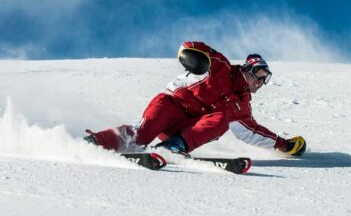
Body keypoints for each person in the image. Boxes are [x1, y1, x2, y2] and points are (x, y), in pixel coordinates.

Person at [84, 41, 306, 156]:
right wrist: (192, 57)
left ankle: (172, 147)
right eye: (259, 74)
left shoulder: (242, 106)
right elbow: (194, 47)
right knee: (141, 135)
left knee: (221, 121)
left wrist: (283, 145)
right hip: (170, 105)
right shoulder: (222, 68)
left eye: (265, 78)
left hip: (184, 128)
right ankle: (95, 142)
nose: (261, 81)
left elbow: (252, 132)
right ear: (247, 69)